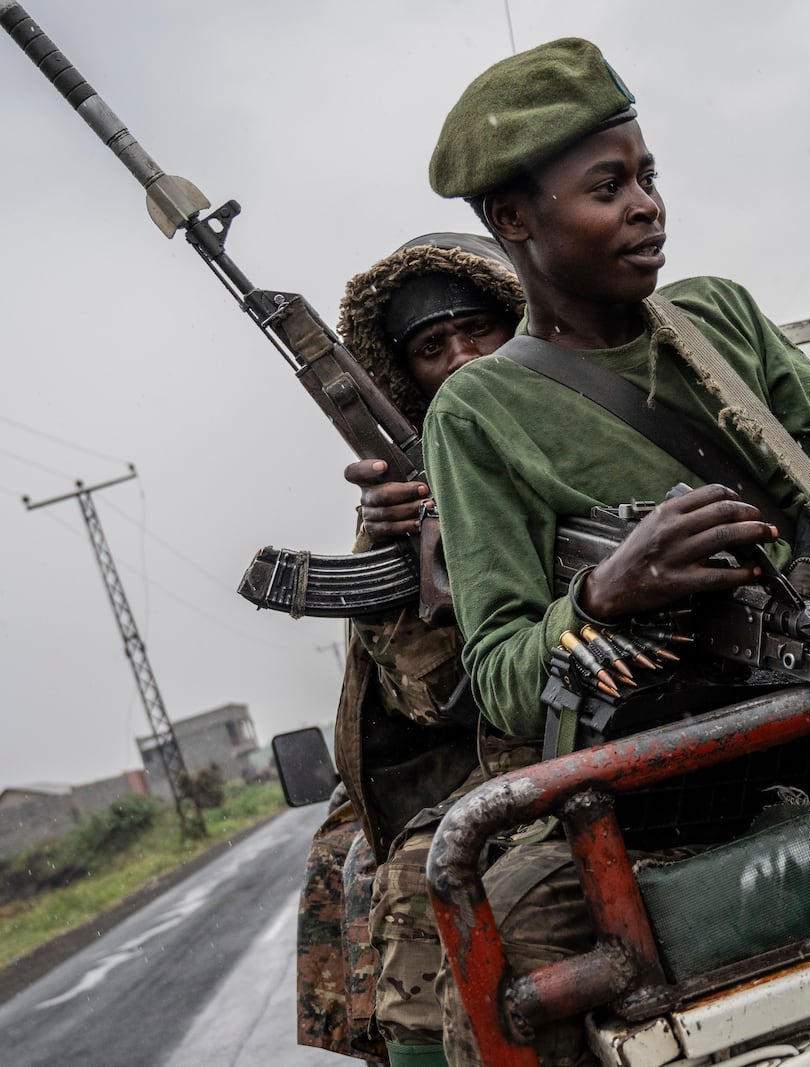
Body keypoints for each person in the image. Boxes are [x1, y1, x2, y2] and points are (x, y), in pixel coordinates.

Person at [418, 38, 810, 1065]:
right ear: (514, 220)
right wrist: (603, 593)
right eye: (607, 186)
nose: (646, 205)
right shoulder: (477, 409)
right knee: (508, 963)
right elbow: (501, 671)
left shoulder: (713, 317)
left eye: (647, 176)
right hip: (653, 801)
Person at [294, 232, 524, 1067]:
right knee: (346, 854)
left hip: (568, 728)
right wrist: (392, 554)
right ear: (406, 378)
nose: (462, 359)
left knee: (407, 876)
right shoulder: (418, 495)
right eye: (433, 347)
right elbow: (432, 698)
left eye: (480, 330)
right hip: (484, 738)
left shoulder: (592, 409)